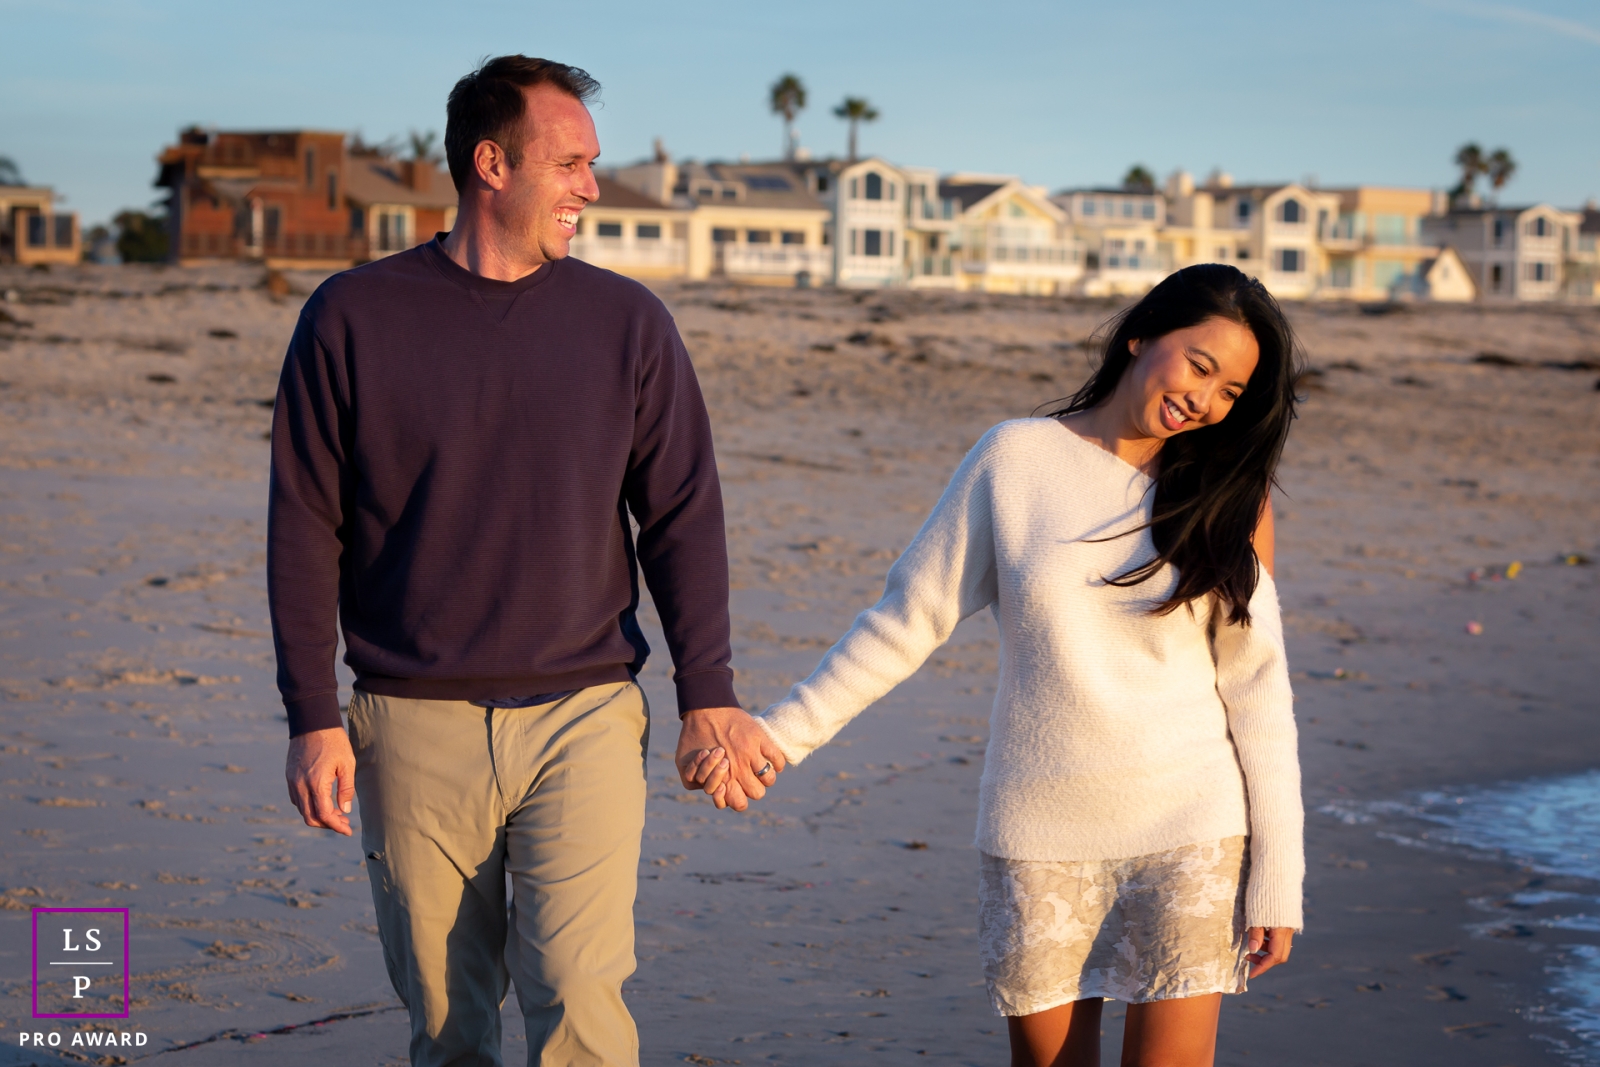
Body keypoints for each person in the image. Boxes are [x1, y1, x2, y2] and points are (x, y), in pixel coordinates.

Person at [270, 55, 784, 1067]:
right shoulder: (351, 315)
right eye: (572, 163)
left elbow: (680, 514)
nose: (591, 187)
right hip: (412, 720)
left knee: (582, 1001)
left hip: (584, 713)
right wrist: (312, 717)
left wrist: (709, 693)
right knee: (449, 1021)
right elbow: (302, 525)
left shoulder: (627, 321)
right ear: (491, 163)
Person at [688, 265, 1305, 1066]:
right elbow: (906, 622)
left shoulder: (1230, 498)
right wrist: (780, 736)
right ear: (1141, 335)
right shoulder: (1014, 460)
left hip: (1192, 828)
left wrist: (1278, 875)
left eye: (1230, 389)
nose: (1207, 397)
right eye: (1199, 362)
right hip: (1041, 830)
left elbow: (1258, 694)